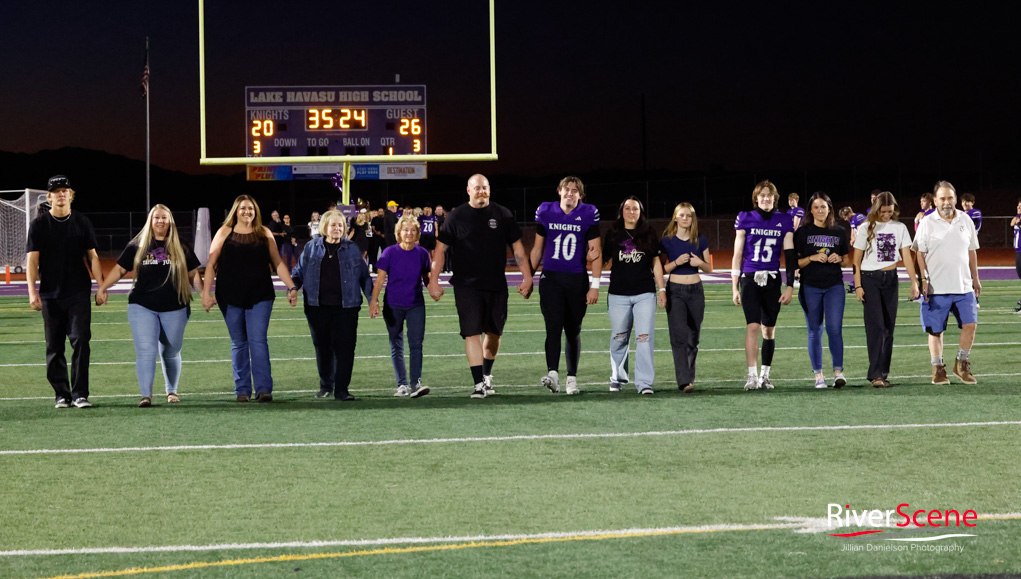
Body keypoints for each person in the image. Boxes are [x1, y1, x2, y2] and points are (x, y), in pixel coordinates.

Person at [427, 173, 534, 399]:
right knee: (472, 333)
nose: (481, 191)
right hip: (466, 285)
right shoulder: (456, 216)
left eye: (484, 187)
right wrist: (433, 280)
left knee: (494, 333)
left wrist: (527, 277)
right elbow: (440, 250)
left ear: (490, 189)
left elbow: (517, 248)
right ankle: (478, 384)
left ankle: (486, 374)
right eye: (477, 188)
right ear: (468, 190)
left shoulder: (502, 214)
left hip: (496, 283)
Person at [96, 204, 202, 407]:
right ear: (150, 221)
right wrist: (103, 288)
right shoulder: (138, 244)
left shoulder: (181, 245)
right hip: (142, 304)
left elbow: (192, 273)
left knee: (171, 350)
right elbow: (119, 269)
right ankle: (146, 395)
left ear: (170, 221)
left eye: (164, 217)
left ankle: (171, 390)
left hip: (175, 305)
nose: (160, 221)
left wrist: (204, 293)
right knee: (146, 350)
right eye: (156, 217)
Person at [202, 195, 298, 402]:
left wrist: (291, 286)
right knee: (239, 343)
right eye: (243, 208)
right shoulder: (224, 232)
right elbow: (211, 264)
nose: (247, 211)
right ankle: (242, 390)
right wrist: (205, 292)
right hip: (229, 295)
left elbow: (278, 263)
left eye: (251, 208)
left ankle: (263, 389)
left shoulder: (264, 232)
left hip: (260, 294)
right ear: (235, 211)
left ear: (256, 211)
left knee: (258, 341)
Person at [26, 175, 104, 409]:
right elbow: (32, 261)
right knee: (54, 345)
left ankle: (80, 394)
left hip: (78, 292)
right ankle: (62, 394)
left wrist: (101, 286)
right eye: (56, 191)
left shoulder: (82, 222)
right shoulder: (39, 225)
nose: (61, 194)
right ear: (49, 197)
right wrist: (32, 292)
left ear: (71, 195)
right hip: (50, 294)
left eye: (65, 190)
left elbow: (93, 257)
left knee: (81, 340)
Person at [529, 176, 601, 395]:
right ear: (559, 191)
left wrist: (595, 285)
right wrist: (528, 277)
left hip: (576, 279)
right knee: (552, 326)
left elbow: (596, 252)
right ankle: (553, 374)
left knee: (572, 330)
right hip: (551, 278)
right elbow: (537, 249)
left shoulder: (588, 213)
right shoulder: (546, 210)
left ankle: (572, 378)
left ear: (580, 195)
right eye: (566, 189)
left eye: (574, 190)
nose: (570, 193)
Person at [291, 210, 373, 400]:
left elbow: (365, 277)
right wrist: (293, 288)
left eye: (340, 225)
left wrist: (372, 300)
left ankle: (342, 389)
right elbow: (298, 273)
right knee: (322, 348)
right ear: (324, 227)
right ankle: (326, 385)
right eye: (333, 225)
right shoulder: (311, 248)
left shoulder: (352, 248)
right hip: (316, 308)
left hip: (347, 308)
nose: (337, 228)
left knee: (345, 348)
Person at [913, 181, 980, 385]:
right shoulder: (927, 222)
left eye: (950, 198)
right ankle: (938, 368)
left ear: (956, 199)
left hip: (963, 285)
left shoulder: (965, 220)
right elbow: (919, 253)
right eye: (942, 198)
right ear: (935, 201)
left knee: (970, 324)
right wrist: (923, 279)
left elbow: (971, 251)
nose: (946, 202)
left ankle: (961, 364)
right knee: (936, 330)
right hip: (936, 287)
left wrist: (976, 278)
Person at [731, 180, 796, 391]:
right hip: (750, 278)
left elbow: (790, 254)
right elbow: (737, 254)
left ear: (775, 198)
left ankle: (765, 375)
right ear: (756, 198)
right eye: (762, 195)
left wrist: (790, 286)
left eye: (769, 195)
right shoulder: (745, 217)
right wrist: (734, 287)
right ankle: (751, 376)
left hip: (772, 279)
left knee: (769, 331)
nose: (766, 198)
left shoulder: (784, 219)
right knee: (752, 326)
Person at [852, 191, 919, 387]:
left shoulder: (900, 228)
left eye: (890, 211)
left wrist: (914, 282)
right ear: (876, 209)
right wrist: (858, 285)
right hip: (869, 280)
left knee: (889, 329)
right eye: (883, 211)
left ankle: (883, 373)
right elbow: (856, 260)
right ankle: (875, 375)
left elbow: (907, 257)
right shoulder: (865, 227)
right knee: (877, 328)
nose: (886, 215)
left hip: (891, 280)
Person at [603, 196, 666, 394]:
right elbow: (604, 260)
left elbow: (656, 262)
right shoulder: (613, 234)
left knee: (644, 338)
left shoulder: (649, 233)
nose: (631, 212)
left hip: (644, 293)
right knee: (619, 337)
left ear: (641, 212)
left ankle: (644, 382)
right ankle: (618, 377)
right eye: (628, 208)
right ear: (621, 211)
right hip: (618, 294)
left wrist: (662, 289)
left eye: (635, 209)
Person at [369, 214, 432, 398]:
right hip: (393, 305)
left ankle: (416, 384)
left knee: (416, 344)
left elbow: (426, 278)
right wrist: (374, 301)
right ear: (399, 233)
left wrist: (433, 289)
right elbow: (380, 279)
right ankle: (402, 384)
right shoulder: (389, 252)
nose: (409, 233)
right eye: (405, 230)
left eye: (412, 230)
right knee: (396, 344)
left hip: (416, 305)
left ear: (417, 233)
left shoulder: (422, 253)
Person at [794, 192, 849, 389]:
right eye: (816, 207)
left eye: (823, 207)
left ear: (829, 209)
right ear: (810, 210)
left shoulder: (839, 231)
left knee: (834, 328)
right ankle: (818, 375)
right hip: (810, 286)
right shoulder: (803, 232)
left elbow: (847, 260)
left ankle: (838, 372)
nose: (820, 211)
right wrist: (811, 258)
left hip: (834, 286)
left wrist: (839, 259)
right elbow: (795, 263)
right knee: (815, 330)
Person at [659, 202, 711, 393]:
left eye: (689, 215)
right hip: (676, 291)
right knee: (678, 336)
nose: (685, 218)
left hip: (696, 291)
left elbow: (709, 268)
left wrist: (699, 263)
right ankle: (684, 381)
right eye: (682, 215)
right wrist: (676, 262)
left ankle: (689, 376)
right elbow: (661, 269)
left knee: (693, 337)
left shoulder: (700, 240)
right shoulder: (667, 241)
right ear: (675, 217)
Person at [1012, 198, 1021, 313]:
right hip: (1018, 251)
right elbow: (1011, 223)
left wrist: (1018, 222)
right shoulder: (1018, 217)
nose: (1018, 208)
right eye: (1018, 206)